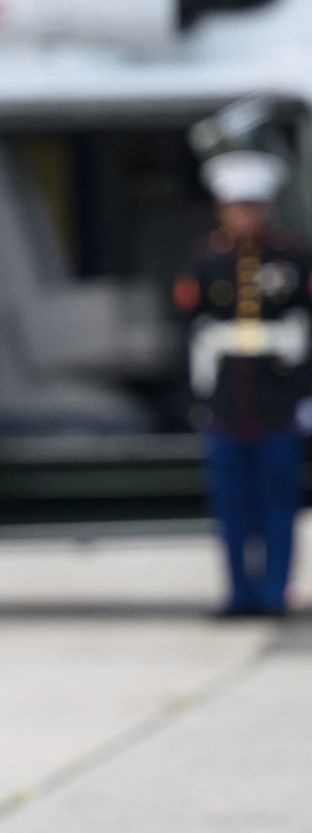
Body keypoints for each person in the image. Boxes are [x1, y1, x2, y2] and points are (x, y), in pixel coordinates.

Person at [174, 150, 311, 618]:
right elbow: (190, 332)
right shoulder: (207, 260)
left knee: (277, 503)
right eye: (236, 207)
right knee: (233, 508)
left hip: (278, 399)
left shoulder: (293, 258)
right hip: (227, 399)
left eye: (252, 207)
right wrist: (197, 396)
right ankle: (239, 593)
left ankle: (274, 592)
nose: (244, 216)